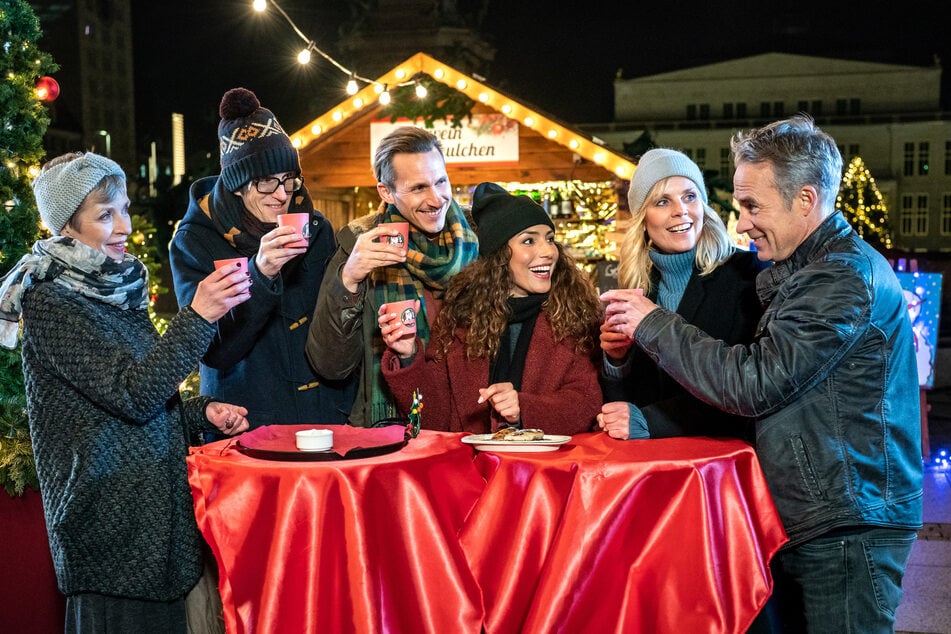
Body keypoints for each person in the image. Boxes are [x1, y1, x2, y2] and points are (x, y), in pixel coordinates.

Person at [602, 115, 922, 633]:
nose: (742, 221)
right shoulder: (803, 273)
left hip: (847, 522)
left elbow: (753, 383)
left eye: (753, 205)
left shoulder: (840, 278)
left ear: (806, 200)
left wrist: (654, 323)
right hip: (817, 515)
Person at [0, 152, 251, 633]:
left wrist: (201, 413)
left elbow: (140, 393)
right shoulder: (52, 299)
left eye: (125, 209)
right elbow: (132, 394)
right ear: (67, 226)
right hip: (110, 537)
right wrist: (198, 316)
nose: (124, 226)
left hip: (159, 528)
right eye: (104, 214)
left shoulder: (119, 286)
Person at [169, 87, 354, 431]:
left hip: (327, 418)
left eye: (289, 180)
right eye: (267, 183)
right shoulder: (195, 241)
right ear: (238, 184)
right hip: (250, 426)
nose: (282, 195)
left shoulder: (316, 229)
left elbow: (335, 325)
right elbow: (216, 352)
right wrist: (261, 272)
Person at [378, 182, 602, 434]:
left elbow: (587, 402)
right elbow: (434, 419)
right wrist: (408, 355)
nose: (548, 251)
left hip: (546, 470)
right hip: (470, 469)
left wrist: (524, 409)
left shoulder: (573, 317)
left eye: (550, 239)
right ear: (497, 258)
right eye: (529, 241)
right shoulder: (459, 320)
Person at [306, 126, 479, 426]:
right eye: (418, 188)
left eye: (441, 181)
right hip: (391, 431)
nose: (436, 199)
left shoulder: (479, 238)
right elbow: (329, 364)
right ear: (386, 192)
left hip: (473, 424)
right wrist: (349, 280)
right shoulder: (359, 245)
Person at [598, 148, 766, 441]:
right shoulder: (640, 288)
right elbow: (623, 410)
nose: (681, 210)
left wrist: (651, 422)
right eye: (663, 201)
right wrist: (617, 362)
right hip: (653, 468)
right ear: (643, 220)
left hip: (722, 466)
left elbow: (746, 390)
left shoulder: (746, 276)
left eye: (689, 196)